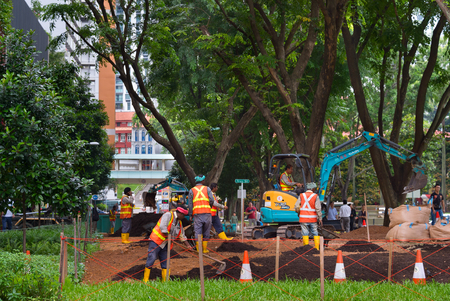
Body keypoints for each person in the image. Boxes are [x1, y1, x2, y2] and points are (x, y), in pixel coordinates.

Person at [143, 207, 191, 283]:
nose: (184, 217)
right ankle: (145, 280)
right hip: (156, 241)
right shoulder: (168, 215)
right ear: (180, 213)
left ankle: (165, 281)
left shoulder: (179, 222)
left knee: (165, 260)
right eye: (184, 215)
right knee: (152, 258)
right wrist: (169, 237)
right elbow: (163, 227)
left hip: (166, 244)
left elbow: (181, 235)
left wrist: (188, 245)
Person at [188, 174, 215, 253]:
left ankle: (199, 250)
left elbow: (190, 204)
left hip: (197, 214)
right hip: (207, 214)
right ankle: (204, 249)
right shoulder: (207, 189)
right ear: (203, 181)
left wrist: (190, 215)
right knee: (207, 231)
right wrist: (208, 206)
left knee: (198, 232)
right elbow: (211, 200)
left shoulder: (191, 190)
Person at [294, 185, 322, 250]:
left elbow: (296, 206)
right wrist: (320, 218)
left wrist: (298, 212)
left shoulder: (301, 195)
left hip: (303, 218)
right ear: (313, 189)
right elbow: (318, 208)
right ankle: (317, 249)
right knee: (315, 232)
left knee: (305, 233)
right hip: (313, 219)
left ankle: (306, 249)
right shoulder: (315, 196)